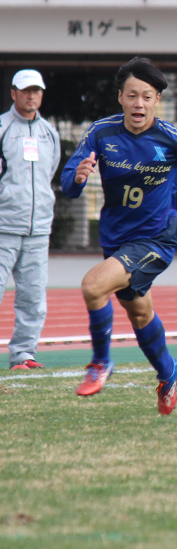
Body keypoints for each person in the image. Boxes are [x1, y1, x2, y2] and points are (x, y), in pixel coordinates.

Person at [61, 57, 177, 414]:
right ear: (120, 97)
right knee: (139, 314)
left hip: (155, 240)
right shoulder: (100, 132)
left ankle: (100, 362)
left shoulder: (169, 137)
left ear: (157, 101)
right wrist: (77, 179)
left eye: (148, 96)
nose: (140, 103)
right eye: (133, 95)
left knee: (93, 286)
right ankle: (169, 372)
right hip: (116, 240)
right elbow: (69, 181)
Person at [0, 70, 61, 370]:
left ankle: (23, 355)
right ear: (13, 93)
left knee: (33, 298)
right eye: (25, 91)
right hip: (3, 227)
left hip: (38, 229)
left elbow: (49, 173)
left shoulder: (49, 132)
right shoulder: (0, 127)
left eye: (36, 90)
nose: (31, 96)